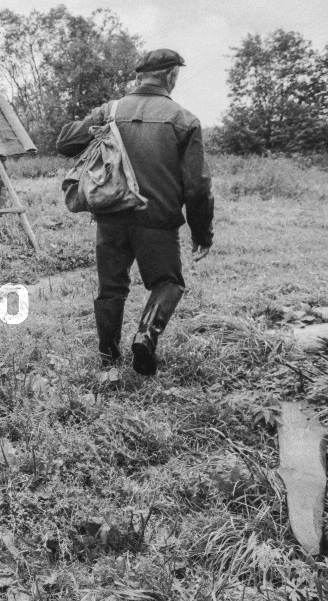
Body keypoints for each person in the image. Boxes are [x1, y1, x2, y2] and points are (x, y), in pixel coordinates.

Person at [56, 48, 214, 376]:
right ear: (171, 75)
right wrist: (202, 234)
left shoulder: (110, 111)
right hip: (157, 220)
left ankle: (108, 358)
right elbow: (198, 187)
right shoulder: (184, 120)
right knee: (168, 282)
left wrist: (99, 123)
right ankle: (146, 335)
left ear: (138, 77)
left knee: (111, 288)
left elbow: (65, 142)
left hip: (111, 215)